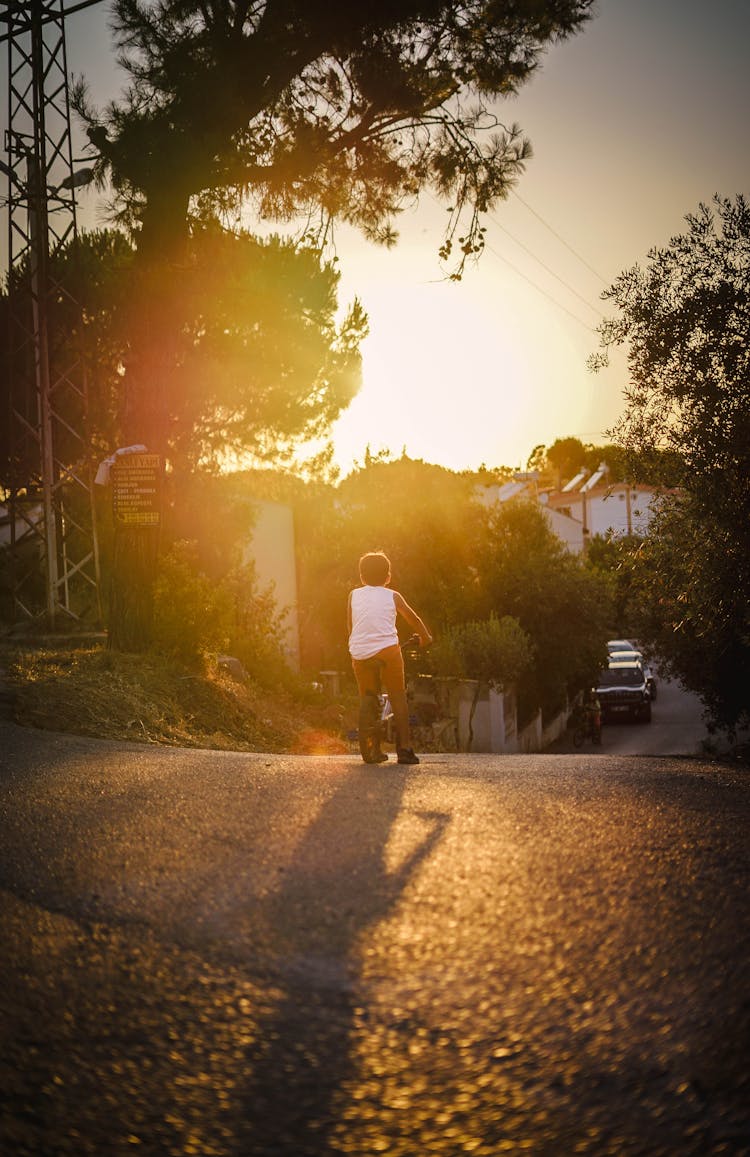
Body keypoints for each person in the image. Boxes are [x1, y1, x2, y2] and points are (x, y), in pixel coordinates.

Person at [348, 551, 432, 765]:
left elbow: (350, 626)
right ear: (388, 576)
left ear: (361, 576)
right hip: (387, 651)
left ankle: (372, 748)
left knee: (368, 694)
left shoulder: (353, 595)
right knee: (398, 697)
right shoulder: (393, 595)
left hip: (359, 652)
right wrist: (425, 637)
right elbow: (412, 617)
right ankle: (404, 749)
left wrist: (360, 643)